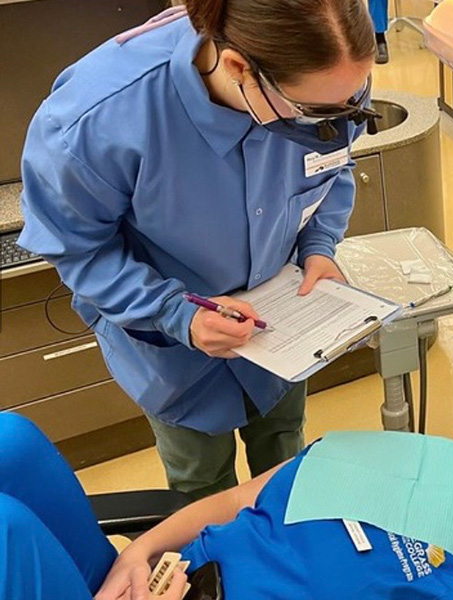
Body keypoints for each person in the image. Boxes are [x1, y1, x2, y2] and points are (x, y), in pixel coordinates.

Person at [18, 0, 378, 500]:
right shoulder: (97, 120)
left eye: (351, 102)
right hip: (175, 358)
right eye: (313, 114)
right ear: (237, 68)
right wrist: (175, 314)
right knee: (203, 491)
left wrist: (319, 247)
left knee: (286, 463)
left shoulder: (329, 86)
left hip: (283, 330)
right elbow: (79, 250)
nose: (337, 120)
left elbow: (332, 165)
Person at [0, 413, 453, 600]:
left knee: (8, 530)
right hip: (157, 583)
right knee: (15, 442)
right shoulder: (411, 458)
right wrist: (136, 555)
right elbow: (236, 498)